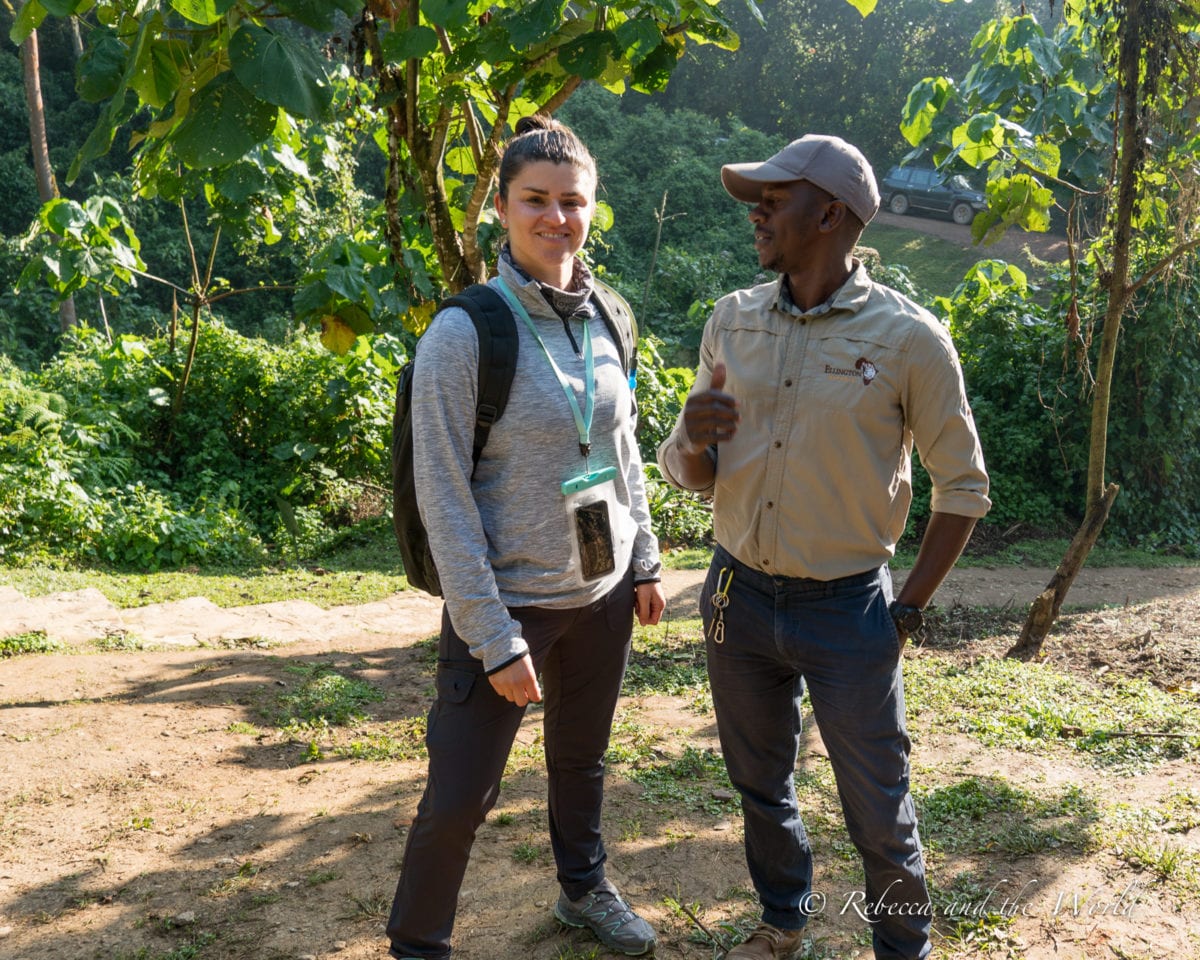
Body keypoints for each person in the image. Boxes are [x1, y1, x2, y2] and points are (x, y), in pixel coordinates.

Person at [656, 135, 991, 960]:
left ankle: (899, 950)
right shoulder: (732, 320)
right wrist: (694, 439)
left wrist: (903, 611)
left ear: (832, 213)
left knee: (879, 806)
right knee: (760, 783)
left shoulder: (911, 340)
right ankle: (784, 922)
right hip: (735, 594)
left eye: (776, 196)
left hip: (849, 609)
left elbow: (965, 489)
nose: (757, 210)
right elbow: (689, 471)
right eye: (756, 197)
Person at [385, 114, 666, 960]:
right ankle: (418, 944)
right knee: (460, 795)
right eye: (535, 200)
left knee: (582, 764)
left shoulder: (609, 316)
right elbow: (442, 494)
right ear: (501, 210)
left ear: (592, 210)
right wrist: (495, 639)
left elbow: (622, 451)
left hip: (603, 597)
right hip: (507, 610)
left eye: (572, 201)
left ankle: (584, 890)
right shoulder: (465, 333)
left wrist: (643, 557)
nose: (556, 218)